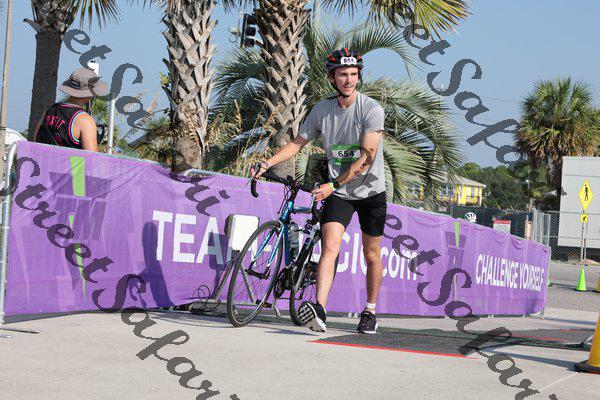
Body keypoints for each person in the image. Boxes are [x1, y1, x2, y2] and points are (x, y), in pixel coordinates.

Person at [251, 48, 387, 334]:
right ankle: (320, 309)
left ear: (358, 77)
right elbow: (297, 143)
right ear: (332, 78)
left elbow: (367, 157)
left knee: (371, 254)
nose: (348, 80)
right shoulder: (322, 110)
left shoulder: (371, 109)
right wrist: (267, 163)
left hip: (370, 192)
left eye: (353, 74)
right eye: (343, 74)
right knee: (330, 246)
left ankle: (370, 311)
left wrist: (333, 184)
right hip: (340, 193)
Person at [32, 68, 109, 152]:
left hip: (43, 160)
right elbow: (92, 157)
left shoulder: (50, 110)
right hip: (70, 161)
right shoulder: (85, 121)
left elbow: (36, 141)